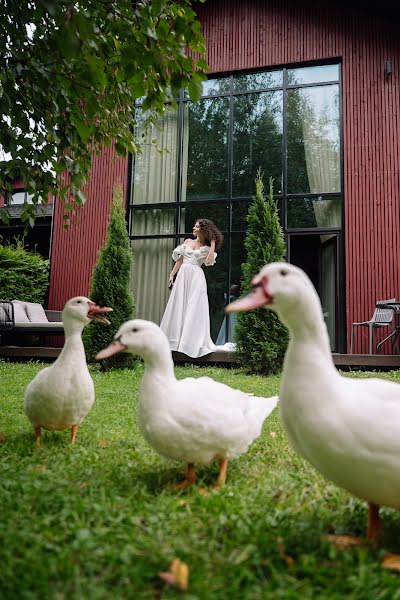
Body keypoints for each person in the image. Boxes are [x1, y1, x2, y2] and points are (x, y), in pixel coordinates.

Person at [160, 218, 223, 358]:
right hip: (183, 276)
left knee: (194, 308)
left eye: (196, 226)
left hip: (196, 277)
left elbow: (208, 262)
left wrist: (212, 243)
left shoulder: (206, 248)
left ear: (203, 229)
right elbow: (180, 260)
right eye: (194, 225)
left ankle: (190, 343)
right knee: (179, 305)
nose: (194, 228)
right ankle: (176, 341)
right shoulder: (187, 242)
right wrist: (172, 275)